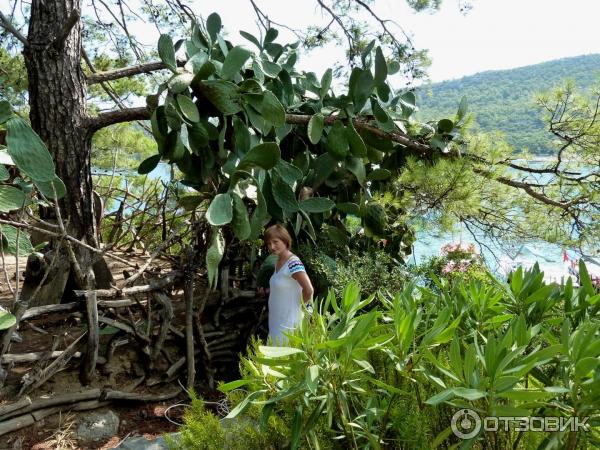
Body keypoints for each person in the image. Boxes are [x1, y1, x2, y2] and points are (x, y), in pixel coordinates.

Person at [260, 224, 314, 345]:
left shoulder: (293, 262)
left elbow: (309, 290)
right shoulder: (278, 262)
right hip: (276, 321)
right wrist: (267, 292)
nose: (272, 247)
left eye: (275, 242)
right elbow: (284, 287)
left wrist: (298, 309)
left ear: (285, 240)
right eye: (269, 243)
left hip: (289, 323)